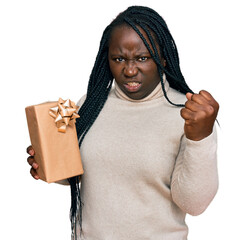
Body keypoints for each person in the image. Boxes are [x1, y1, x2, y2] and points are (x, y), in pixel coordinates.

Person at [27, 5, 219, 240]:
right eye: (118, 58)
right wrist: (47, 163)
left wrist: (200, 137)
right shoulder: (91, 103)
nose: (129, 70)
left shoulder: (188, 116)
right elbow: (83, 172)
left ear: (164, 59)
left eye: (142, 58)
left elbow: (195, 204)